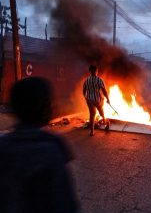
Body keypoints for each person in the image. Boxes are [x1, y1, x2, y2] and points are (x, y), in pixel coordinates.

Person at [0, 77, 78, 213]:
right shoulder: (51, 150)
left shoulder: (4, 145)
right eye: (50, 102)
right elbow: (64, 205)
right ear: (44, 109)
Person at [83, 65, 110, 136]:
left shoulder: (86, 80)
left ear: (90, 71)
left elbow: (84, 91)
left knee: (92, 115)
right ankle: (105, 122)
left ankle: (92, 132)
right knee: (101, 112)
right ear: (96, 71)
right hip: (98, 100)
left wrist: (86, 98)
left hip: (89, 100)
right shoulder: (99, 80)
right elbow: (104, 91)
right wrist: (108, 99)